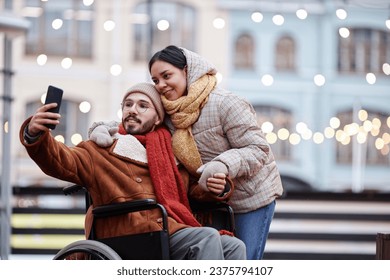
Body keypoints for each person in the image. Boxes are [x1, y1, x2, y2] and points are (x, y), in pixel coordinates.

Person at [89, 46, 283, 260]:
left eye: (166, 76)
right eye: (155, 80)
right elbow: (134, 119)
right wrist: (99, 127)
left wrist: (223, 166)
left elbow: (258, 149)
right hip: (207, 197)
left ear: (187, 71)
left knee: (244, 259)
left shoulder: (226, 103)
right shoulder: (168, 110)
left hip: (249, 196)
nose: (161, 85)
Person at [19, 82, 246, 260]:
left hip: (167, 230)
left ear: (158, 117)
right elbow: (60, 161)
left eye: (142, 105)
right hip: (127, 233)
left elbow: (190, 191)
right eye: (128, 104)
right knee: (205, 238)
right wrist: (35, 134)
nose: (132, 110)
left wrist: (215, 186)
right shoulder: (101, 148)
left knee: (234, 246)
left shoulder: (169, 153)